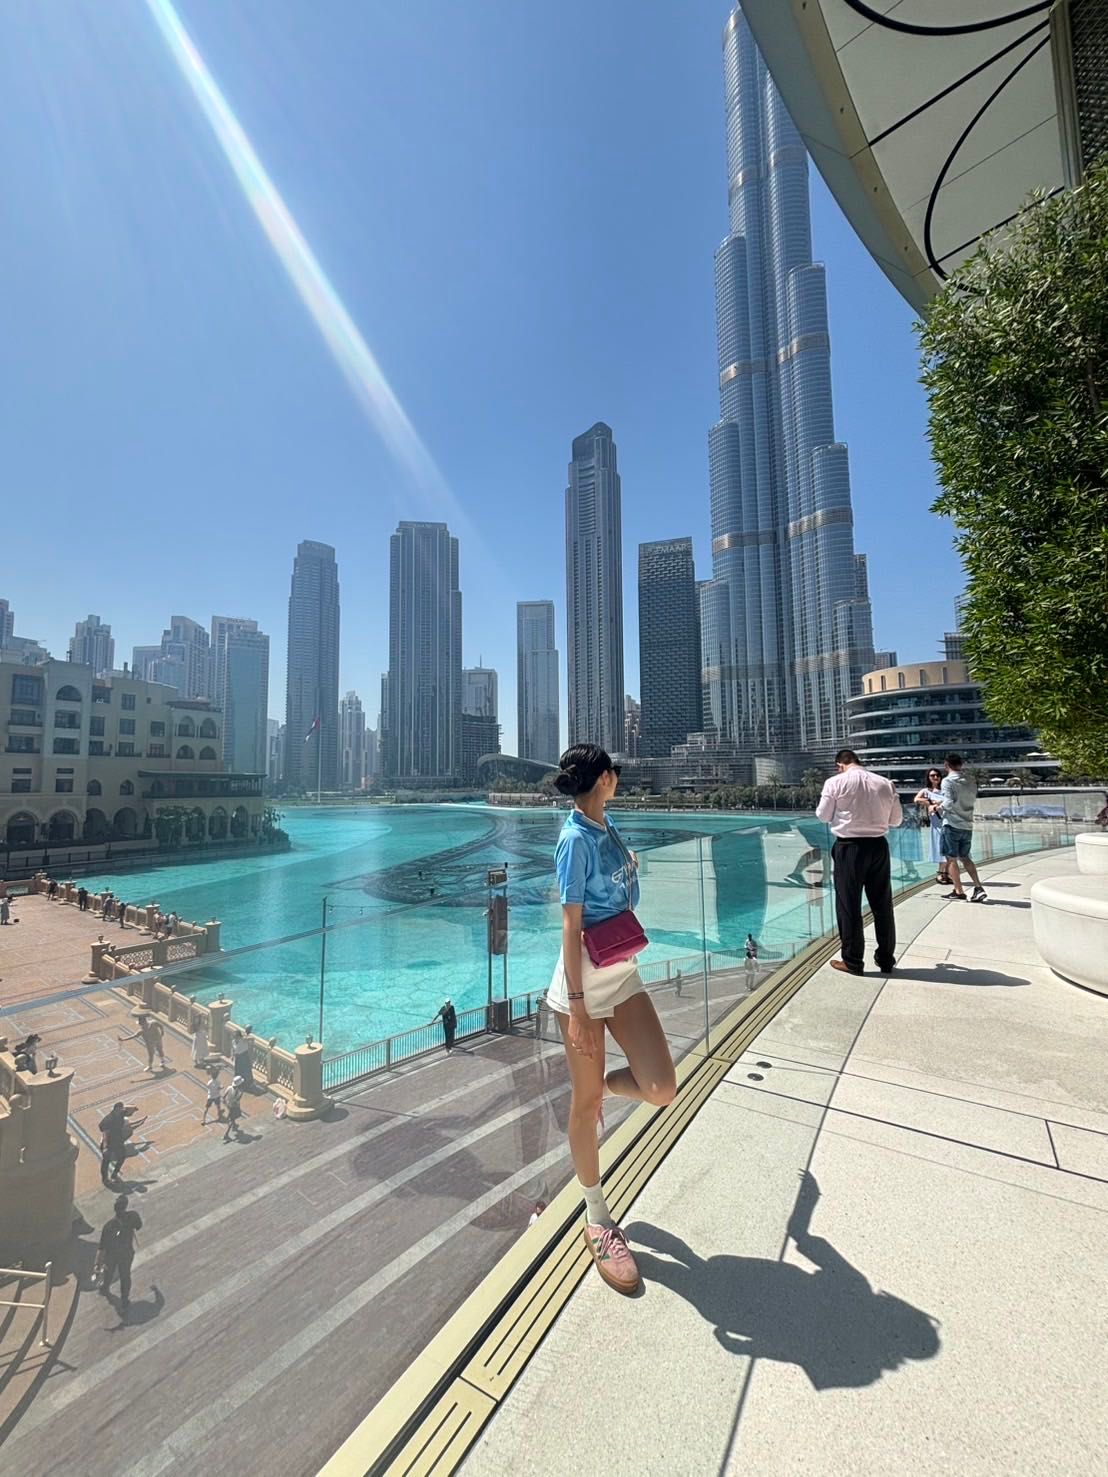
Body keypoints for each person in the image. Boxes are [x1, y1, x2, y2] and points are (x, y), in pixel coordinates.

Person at [547, 743, 676, 1295]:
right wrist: (577, 1008)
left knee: (661, 1087)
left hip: (621, 971)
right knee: (583, 1107)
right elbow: (570, 924)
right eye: (614, 772)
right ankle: (598, 1218)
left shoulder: (606, 824)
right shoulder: (574, 839)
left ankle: (599, 1085)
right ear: (603, 779)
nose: (618, 778)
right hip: (583, 980)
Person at [816, 749, 903, 977]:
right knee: (882, 904)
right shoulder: (885, 783)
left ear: (839, 765)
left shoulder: (835, 782)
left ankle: (853, 961)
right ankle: (886, 959)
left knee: (849, 905)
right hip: (879, 846)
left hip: (849, 847)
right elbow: (896, 820)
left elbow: (823, 815)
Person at [936, 754, 987, 903]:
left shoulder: (947, 781)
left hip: (952, 824)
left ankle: (959, 891)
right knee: (965, 857)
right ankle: (978, 887)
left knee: (951, 858)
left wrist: (937, 807)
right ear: (961, 764)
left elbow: (948, 802)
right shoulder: (970, 780)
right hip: (967, 824)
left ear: (946, 765)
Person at [95, 1195, 143, 1313]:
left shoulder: (108, 1226)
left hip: (111, 1255)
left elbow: (102, 1248)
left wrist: (97, 1264)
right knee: (125, 1276)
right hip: (126, 1254)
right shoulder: (133, 1216)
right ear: (126, 1206)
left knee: (108, 1271)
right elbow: (139, 1226)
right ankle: (124, 1300)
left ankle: (105, 1287)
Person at [914, 768, 949, 885]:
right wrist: (929, 802)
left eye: (937, 775)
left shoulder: (945, 790)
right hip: (937, 824)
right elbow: (916, 799)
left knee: (947, 850)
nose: (935, 777)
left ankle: (945, 873)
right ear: (928, 777)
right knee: (941, 849)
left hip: (948, 821)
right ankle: (941, 873)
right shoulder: (926, 791)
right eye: (932, 775)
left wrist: (937, 803)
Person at [99, 1102, 144, 1185]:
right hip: (109, 1142)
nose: (123, 1109)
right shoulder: (108, 1120)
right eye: (121, 1108)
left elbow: (133, 1108)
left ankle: (114, 1174)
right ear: (116, 1109)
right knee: (106, 1162)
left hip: (118, 1141)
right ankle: (105, 1179)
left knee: (122, 1157)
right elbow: (105, 1134)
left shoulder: (120, 1113)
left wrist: (128, 1107)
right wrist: (105, 1147)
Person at [223, 1075, 247, 1142]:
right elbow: (237, 1100)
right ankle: (226, 1134)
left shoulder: (229, 1087)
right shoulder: (239, 1091)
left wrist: (225, 1102)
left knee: (232, 1117)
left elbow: (224, 1096)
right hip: (234, 1107)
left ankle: (234, 1124)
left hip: (229, 1104)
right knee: (232, 1118)